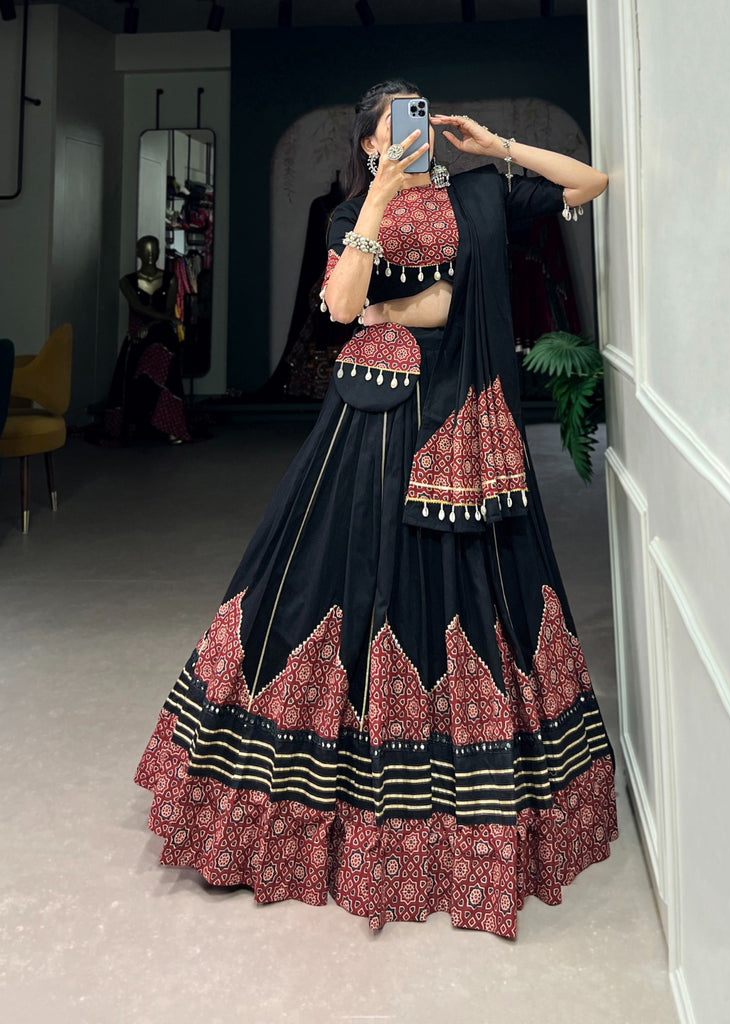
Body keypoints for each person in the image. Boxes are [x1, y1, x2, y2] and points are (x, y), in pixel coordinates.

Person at [135, 81, 619, 939]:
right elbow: (341, 306)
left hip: (465, 408)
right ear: (368, 144)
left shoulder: (480, 193)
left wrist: (497, 146)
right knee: (336, 576)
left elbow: (590, 182)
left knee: (475, 587)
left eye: (422, 117)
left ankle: (477, 798)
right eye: (397, 125)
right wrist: (382, 199)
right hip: (378, 411)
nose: (415, 132)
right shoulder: (350, 212)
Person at [103, 235, 191, 445]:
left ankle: (167, 425)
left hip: (160, 332)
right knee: (138, 362)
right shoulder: (127, 281)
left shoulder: (170, 279)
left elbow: (168, 309)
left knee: (161, 356)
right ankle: (137, 424)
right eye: (146, 250)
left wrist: (153, 324)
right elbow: (137, 306)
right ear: (138, 252)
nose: (150, 255)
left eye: (154, 250)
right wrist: (167, 319)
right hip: (138, 334)